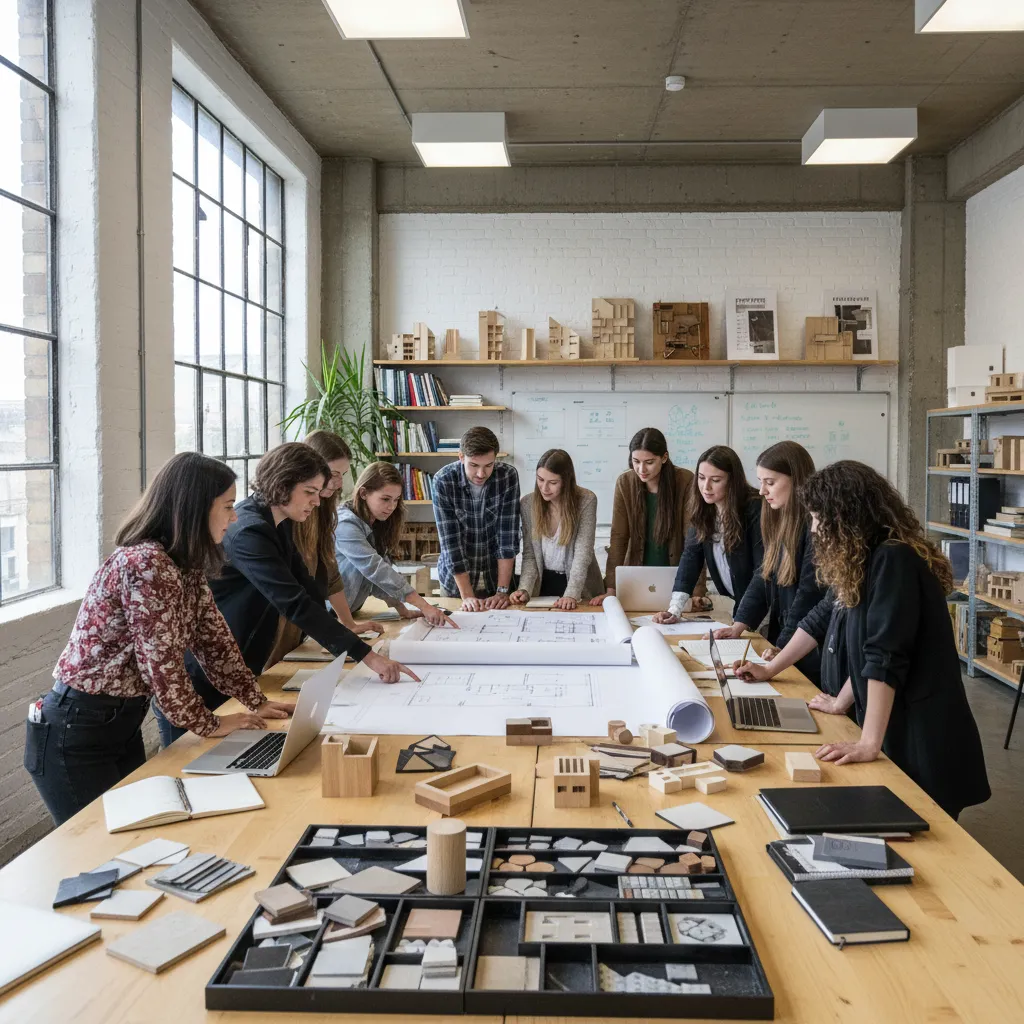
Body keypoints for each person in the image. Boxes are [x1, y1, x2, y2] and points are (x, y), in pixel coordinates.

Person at [23, 454, 293, 825]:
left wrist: (255, 700)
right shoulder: (146, 563)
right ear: (195, 508)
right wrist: (209, 724)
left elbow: (214, 642)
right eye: (228, 507)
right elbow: (162, 664)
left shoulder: (184, 562)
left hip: (119, 724)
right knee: (96, 851)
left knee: (139, 837)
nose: (234, 517)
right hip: (77, 732)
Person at [738, 461, 989, 820]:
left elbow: (884, 654)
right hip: (895, 723)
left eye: (818, 517)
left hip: (922, 735)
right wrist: (772, 670)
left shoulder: (894, 559)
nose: (814, 527)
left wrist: (869, 742)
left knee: (927, 833)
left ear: (845, 516)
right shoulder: (861, 558)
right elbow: (821, 617)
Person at [154, 442, 416, 747]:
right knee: (186, 764)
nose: (318, 502)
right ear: (282, 485)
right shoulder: (250, 531)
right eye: (310, 492)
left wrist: (340, 640)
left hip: (233, 668)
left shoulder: (276, 524)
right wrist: (366, 656)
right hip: (200, 678)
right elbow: (293, 602)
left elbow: (307, 586)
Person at [266, 431, 386, 667]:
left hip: (303, 620)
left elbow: (329, 569)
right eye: (333, 475)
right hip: (279, 617)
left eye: (342, 475)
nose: (340, 483)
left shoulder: (323, 509)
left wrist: (348, 623)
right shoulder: (288, 514)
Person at [713, 441, 826, 684]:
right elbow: (763, 573)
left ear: (797, 481)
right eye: (760, 481)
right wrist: (738, 625)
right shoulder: (777, 517)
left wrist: (782, 647)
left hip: (808, 650)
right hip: (784, 642)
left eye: (770, 482)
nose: (762, 491)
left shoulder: (815, 526)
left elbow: (809, 595)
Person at [593, 427, 708, 607]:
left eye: (649, 462)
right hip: (636, 578)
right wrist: (611, 589)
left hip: (676, 576)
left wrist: (697, 591)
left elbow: (693, 540)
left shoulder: (685, 481)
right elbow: (618, 537)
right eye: (635, 461)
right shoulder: (625, 483)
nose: (641, 469)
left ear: (664, 457)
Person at [336, 461, 455, 627]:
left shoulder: (376, 521)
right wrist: (424, 606)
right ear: (363, 493)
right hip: (330, 615)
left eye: (396, 500)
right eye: (385, 499)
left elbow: (380, 576)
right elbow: (375, 569)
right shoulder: (345, 524)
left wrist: (402, 609)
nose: (391, 506)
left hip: (353, 612)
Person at [653, 444, 762, 623]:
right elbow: (690, 559)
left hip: (764, 606)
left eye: (716, 480)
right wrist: (675, 609)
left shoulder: (754, 508)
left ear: (732, 480)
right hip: (740, 606)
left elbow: (762, 571)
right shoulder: (703, 509)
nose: (706, 487)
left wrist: (744, 619)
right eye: (702, 478)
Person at [433, 426, 521, 612]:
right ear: (461, 457)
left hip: (497, 579)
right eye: (474, 465)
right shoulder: (443, 481)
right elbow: (451, 544)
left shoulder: (507, 477)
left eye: (489, 465)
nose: (481, 474)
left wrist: (502, 590)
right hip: (457, 585)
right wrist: (467, 596)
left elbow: (507, 537)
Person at [510, 449, 604, 610]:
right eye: (540, 479)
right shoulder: (527, 503)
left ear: (566, 481)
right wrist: (524, 588)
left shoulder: (586, 500)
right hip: (542, 587)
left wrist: (571, 594)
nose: (544, 488)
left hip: (579, 587)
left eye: (553, 483)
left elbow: (582, 554)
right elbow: (530, 555)